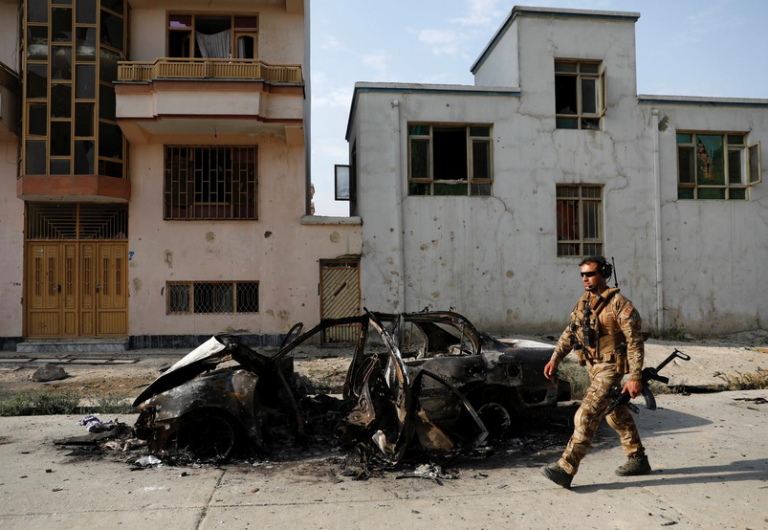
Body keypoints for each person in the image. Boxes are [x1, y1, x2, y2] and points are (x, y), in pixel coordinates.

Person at [541, 256, 651, 488]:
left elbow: (634, 342)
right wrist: (555, 358)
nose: (585, 279)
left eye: (590, 274)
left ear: (604, 274)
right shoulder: (584, 303)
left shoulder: (619, 304)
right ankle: (637, 459)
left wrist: (635, 377)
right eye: (582, 274)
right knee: (615, 413)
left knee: (586, 415)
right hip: (593, 368)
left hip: (611, 369)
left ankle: (565, 468)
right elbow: (569, 333)